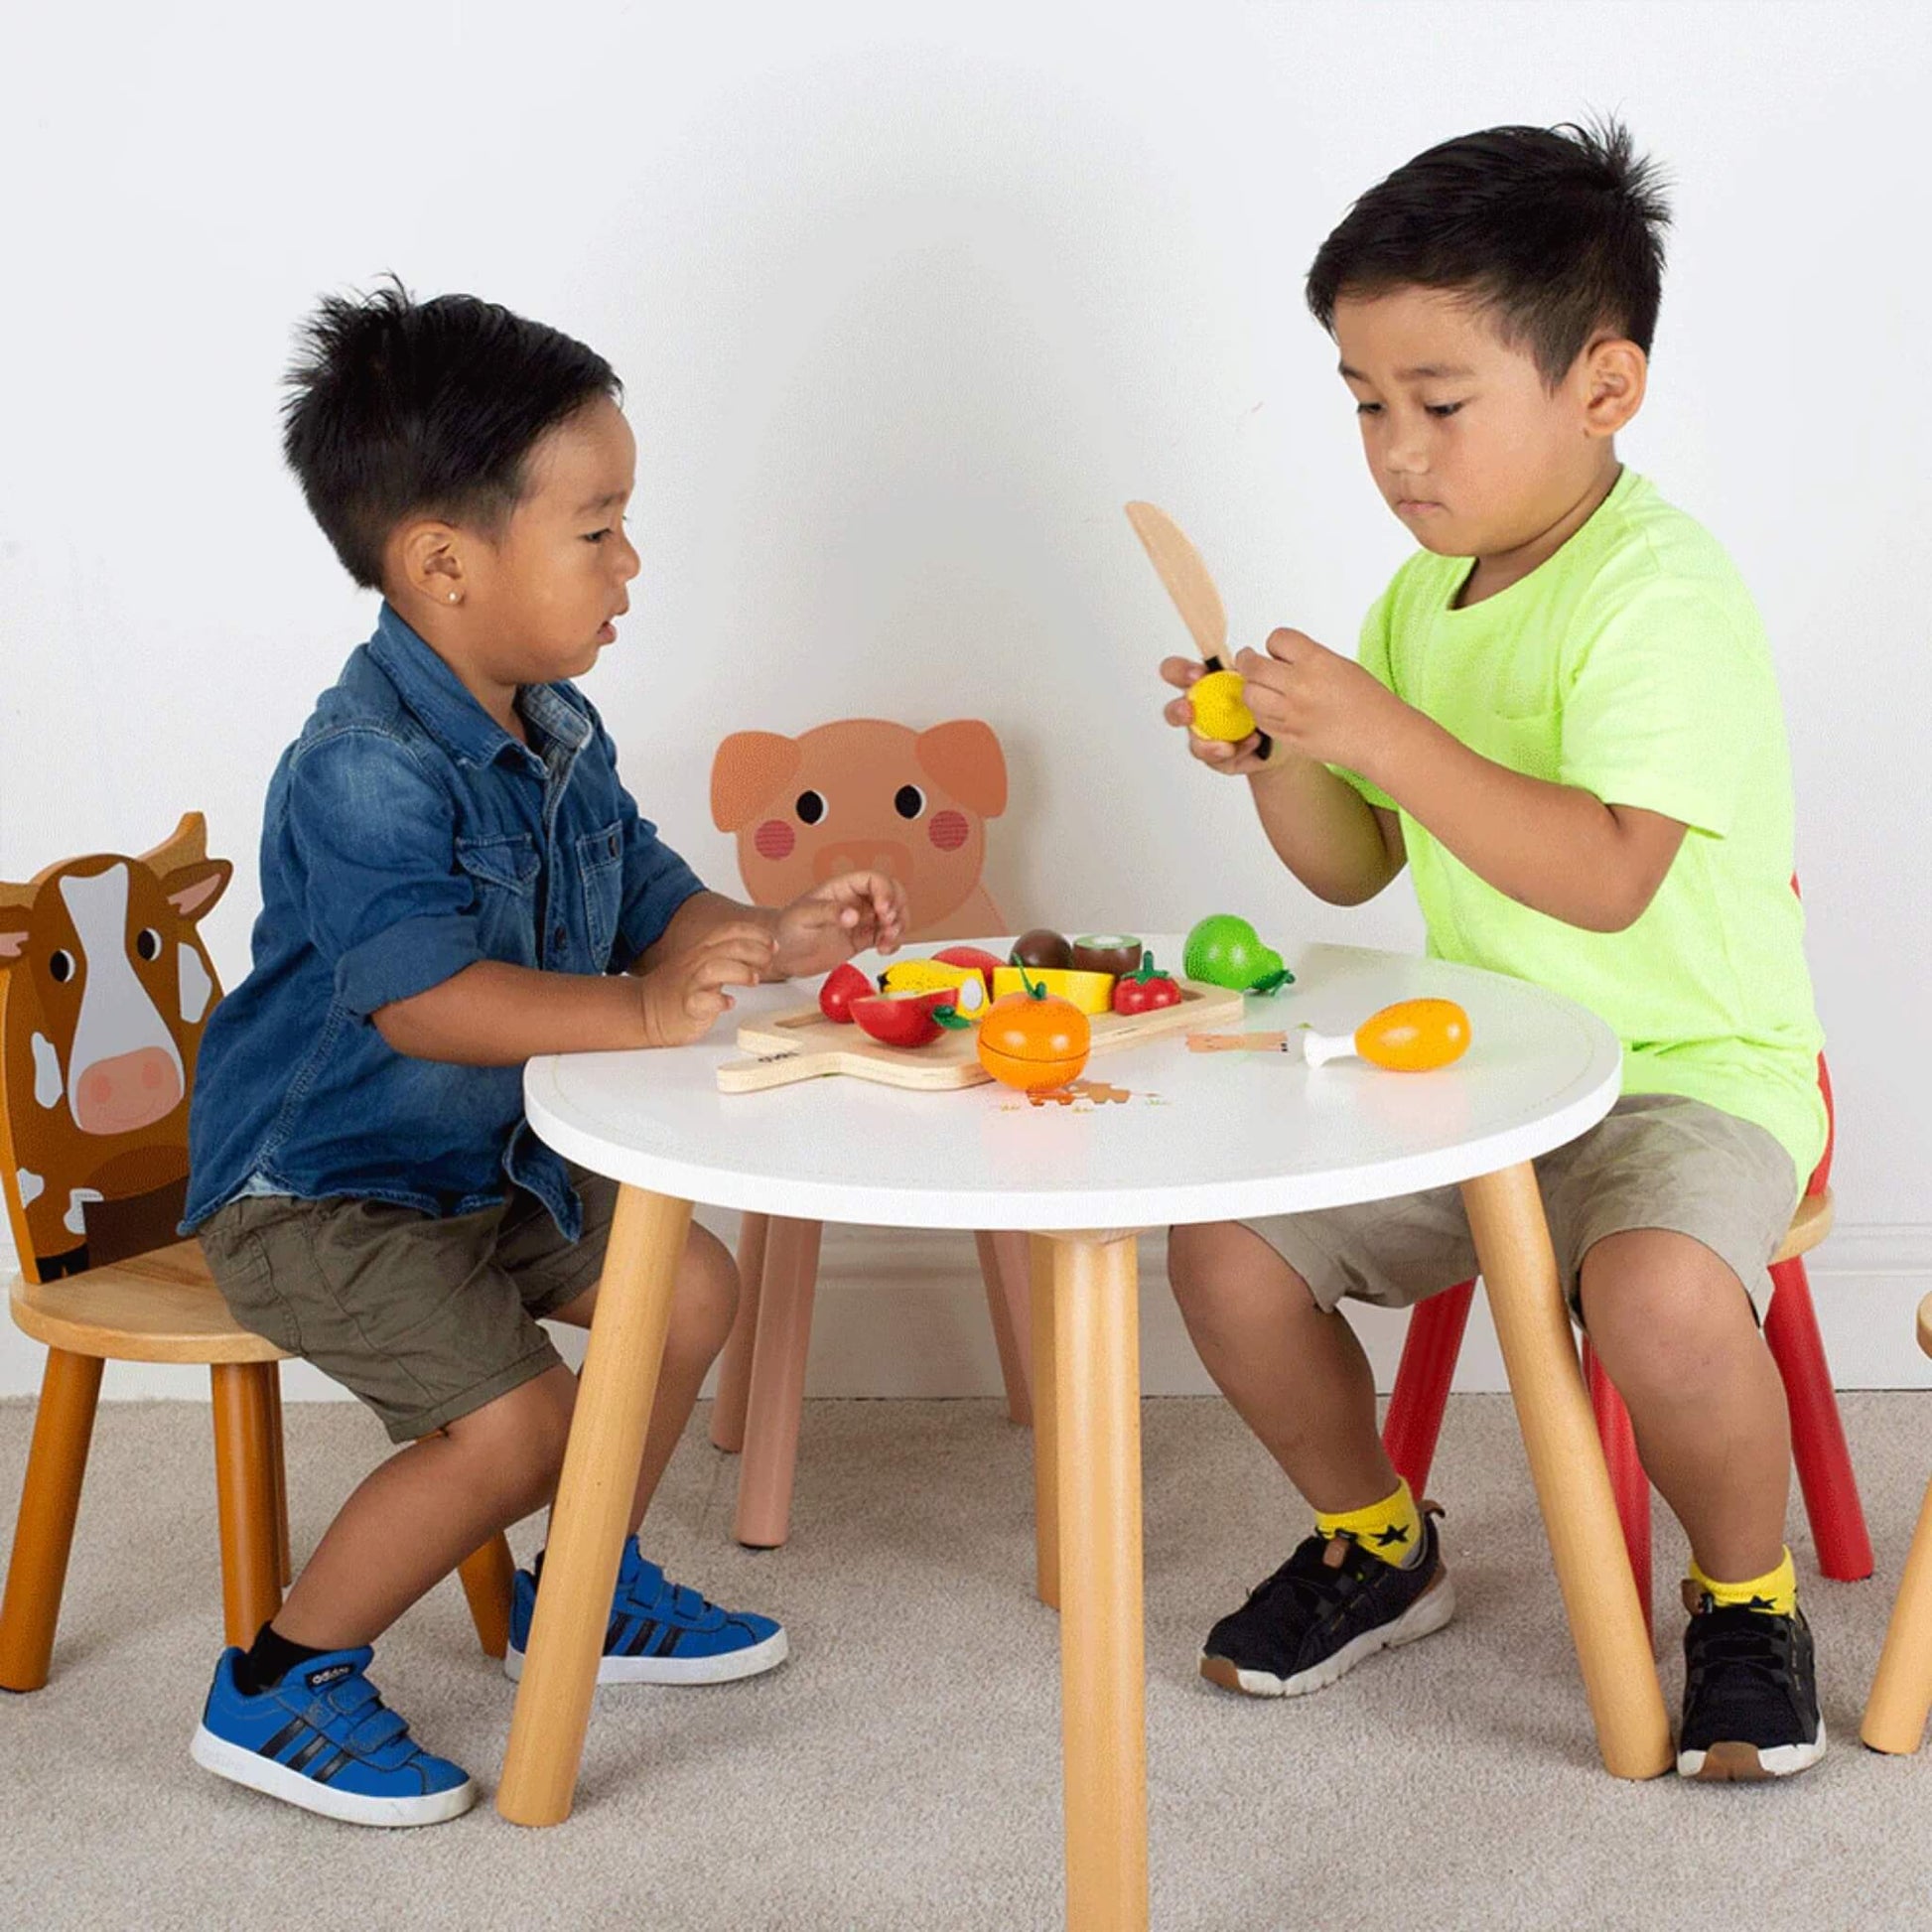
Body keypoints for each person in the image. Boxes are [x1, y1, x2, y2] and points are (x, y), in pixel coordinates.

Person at [182, 282, 907, 1825]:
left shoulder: (556, 722)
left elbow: (645, 891)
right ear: (444, 562)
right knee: (518, 1423)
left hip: (474, 1164)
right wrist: (645, 1014)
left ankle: (576, 1582)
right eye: (598, 526)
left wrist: (770, 934)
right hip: (317, 1189)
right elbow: (423, 1000)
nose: (630, 562)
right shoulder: (362, 766)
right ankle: (280, 1676)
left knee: (687, 1282)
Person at [1161, 121, 1828, 1781]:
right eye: (1363, 401)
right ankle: (1377, 1537)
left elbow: (1605, 878)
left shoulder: (1654, 594)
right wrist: (1288, 762)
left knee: (1657, 1293)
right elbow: (1352, 861)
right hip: (1486, 1076)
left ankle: (1744, 1597)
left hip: (1689, 1073)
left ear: (1603, 388)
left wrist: (1381, 731)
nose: (1394, 451)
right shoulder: (1423, 595)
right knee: (1223, 1242)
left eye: (1438, 402)